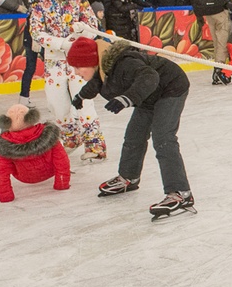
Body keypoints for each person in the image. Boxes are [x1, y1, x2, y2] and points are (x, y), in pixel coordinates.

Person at [67, 36, 194, 218]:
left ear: (91, 62)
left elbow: (150, 77)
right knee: (134, 135)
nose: (76, 72)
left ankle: (181, 193)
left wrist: (127, 98)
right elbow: (96, 83)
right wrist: (81, 96)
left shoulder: (126, 64)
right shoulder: (103, 69)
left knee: (163, 139)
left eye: (78, 67)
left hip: (170, 88)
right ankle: (129, 177)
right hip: (148, 96)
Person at [29, 0, 106, 162]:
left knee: (84, 100)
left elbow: (92, 24)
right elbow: (36, 32)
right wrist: (61, 43)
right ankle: (71, 137)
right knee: (56, 103)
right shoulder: (39, 2)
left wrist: (80, 35)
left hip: (78, 60)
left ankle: (95, 144)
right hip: (54, 59)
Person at [0, 104, 71, 203]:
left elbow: (1, 173)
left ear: (7, 123)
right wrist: (62, 184)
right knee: (57, 153)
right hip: (50, 172)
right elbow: (61, 160)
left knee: (5, 164)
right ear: (31, 118)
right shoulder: (48, 135)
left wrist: (5, 197)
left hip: (24, 177)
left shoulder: (5, 145)